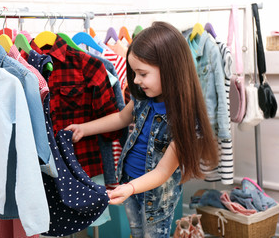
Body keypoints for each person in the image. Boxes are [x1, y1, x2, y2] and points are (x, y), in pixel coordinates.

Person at [65, 21, 218, 238]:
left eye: (142, 74)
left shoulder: (185, 120)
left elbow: (163, 171)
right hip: (129, 184)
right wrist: (84, 128)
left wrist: (130, 188)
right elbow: (120, 117)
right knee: (136, 232)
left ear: (169, 70)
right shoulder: (143, 99)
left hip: (156, 199)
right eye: (134, 73)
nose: (136, 80)